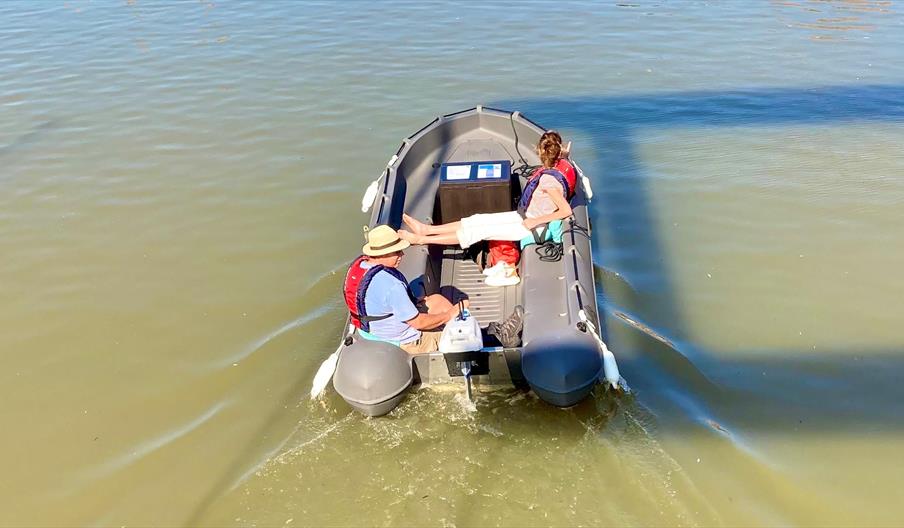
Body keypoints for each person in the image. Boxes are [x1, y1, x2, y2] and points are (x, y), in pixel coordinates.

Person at [399, 131, 576, 262]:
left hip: (533, 226)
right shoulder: (560, 165)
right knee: (476, 219)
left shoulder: (549, 182)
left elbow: (565, 211)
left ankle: (422, 239)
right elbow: (564, 161)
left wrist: (535, 222)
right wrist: (566, 155)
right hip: (524, 216)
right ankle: (427, 229)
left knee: (479, 231)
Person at [343, 224, 466, 354]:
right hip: (404, 342)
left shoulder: (359, 267)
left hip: (369, 331)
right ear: (383, 254)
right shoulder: (392, 286)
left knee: (436, 300)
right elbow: (418, 323)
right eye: (397, 251)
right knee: (458, 335)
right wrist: (449, 314)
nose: (402, 254)